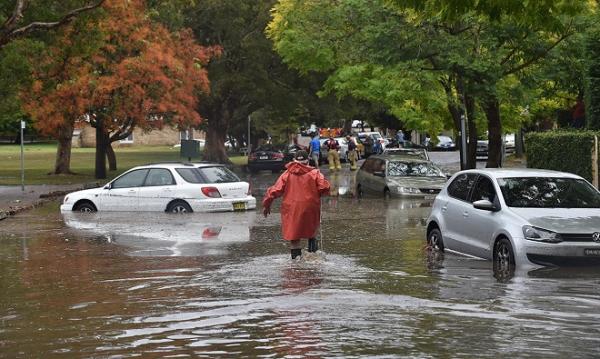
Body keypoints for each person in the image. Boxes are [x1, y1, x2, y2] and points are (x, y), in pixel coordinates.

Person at [262, 150, 331, 259]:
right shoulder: (315, 173)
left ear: (294, 161)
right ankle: (313, 261)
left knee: (294, 237)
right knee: (311, 232)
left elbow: (274, 191)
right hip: (310, 207)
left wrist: (267, 205)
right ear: (307, 161)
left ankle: (295, 265)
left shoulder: (286, 175)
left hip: (291, 208)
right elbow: (324, 187)